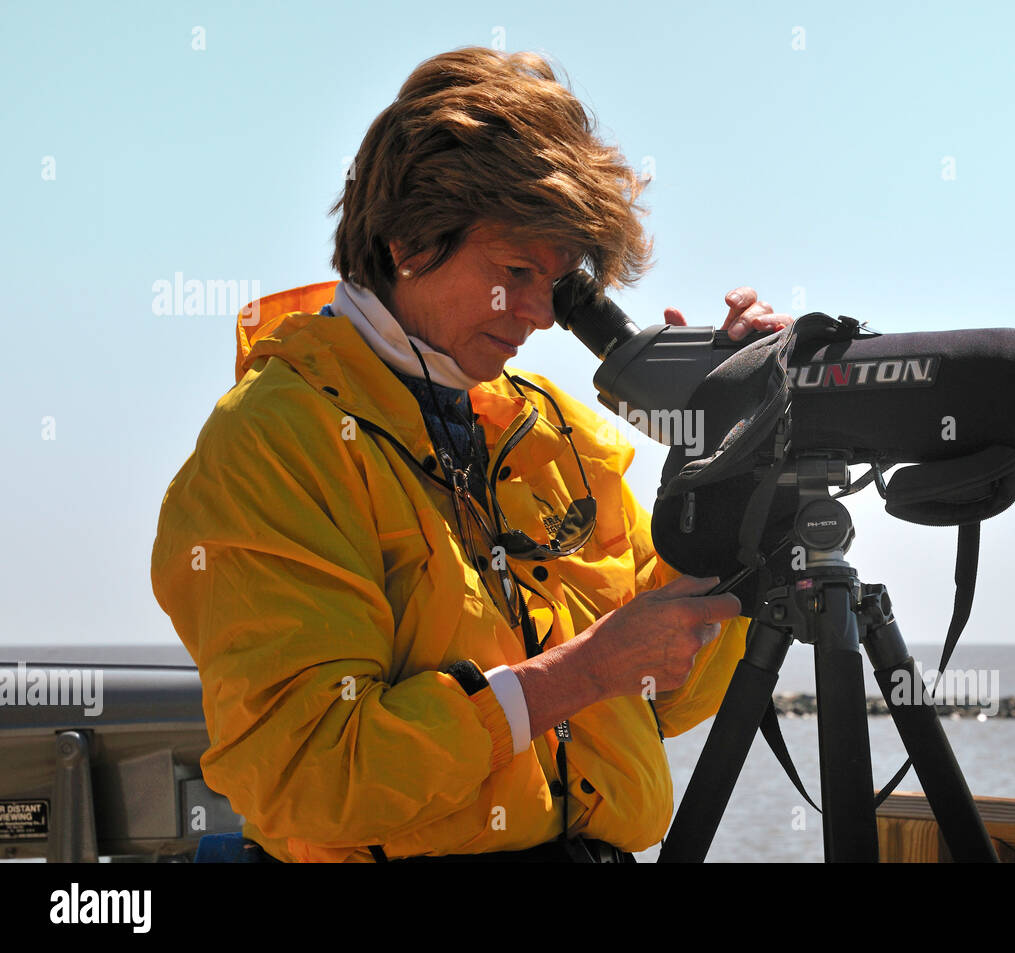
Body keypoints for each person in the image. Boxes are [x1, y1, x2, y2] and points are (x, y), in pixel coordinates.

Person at [151, 46, 792, 863]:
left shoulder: (556, 432)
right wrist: (579, 674)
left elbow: (666, 693)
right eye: (516, 270)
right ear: (409, 237)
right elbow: (313, 775)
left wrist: (729, 471)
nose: (539, 314)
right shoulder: (273, 446)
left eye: (558, 284)